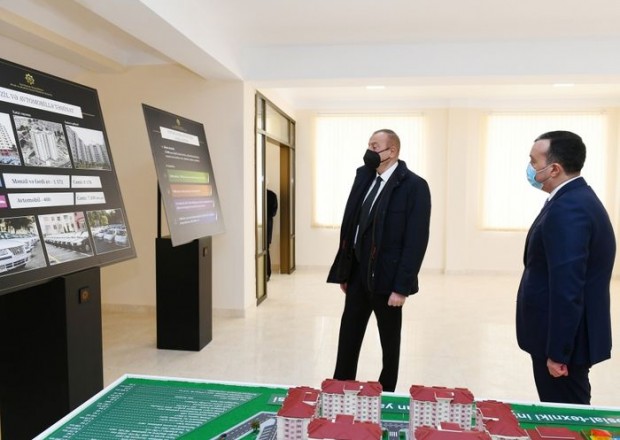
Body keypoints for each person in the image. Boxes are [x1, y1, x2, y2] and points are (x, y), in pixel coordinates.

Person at [327, 128, 431, 392]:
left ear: (392, 151)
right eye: (369, 146)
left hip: (388, 280)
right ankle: (341, 387)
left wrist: (402, 287)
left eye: (375, 146)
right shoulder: (365, 178)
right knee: (348, 335)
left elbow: (416, 241)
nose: (369, 151)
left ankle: (387, 392)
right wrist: (345, 271)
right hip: (357, 274)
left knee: (389, 342)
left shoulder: (414, 186)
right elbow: (352, 226)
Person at [516, 130, 616, 405]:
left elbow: (567, 287)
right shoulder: (574, 198)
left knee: (566, 418)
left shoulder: (569, 208)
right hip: (563, 338)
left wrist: (558, 352)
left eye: (534, 162)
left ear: (554, 169)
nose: (530, 168)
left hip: (564, 344)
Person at [266, 189, 278, 280]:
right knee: (266, 249)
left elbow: (273, 213)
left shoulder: (271, 195)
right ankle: (267, 273)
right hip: (267, 225)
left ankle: (266, 273)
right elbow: (273, 212)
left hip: (266, 226)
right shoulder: (272, 195)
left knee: (265, 249)